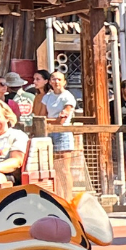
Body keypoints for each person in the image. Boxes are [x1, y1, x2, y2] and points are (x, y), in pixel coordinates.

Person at [38, 71, 80, 199]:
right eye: (53, 79)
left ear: (64, 82)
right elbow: (41, 116)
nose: (56, 82)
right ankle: (57, 196)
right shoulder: (47, 97)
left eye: (59, 79)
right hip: (49, 133)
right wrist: (49, 120)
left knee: (64, 169)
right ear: (50, 82)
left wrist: (49, 120)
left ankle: (68, 197)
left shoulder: (68, 96)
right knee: (52, 168)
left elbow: (62, 119)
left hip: (63, 133)